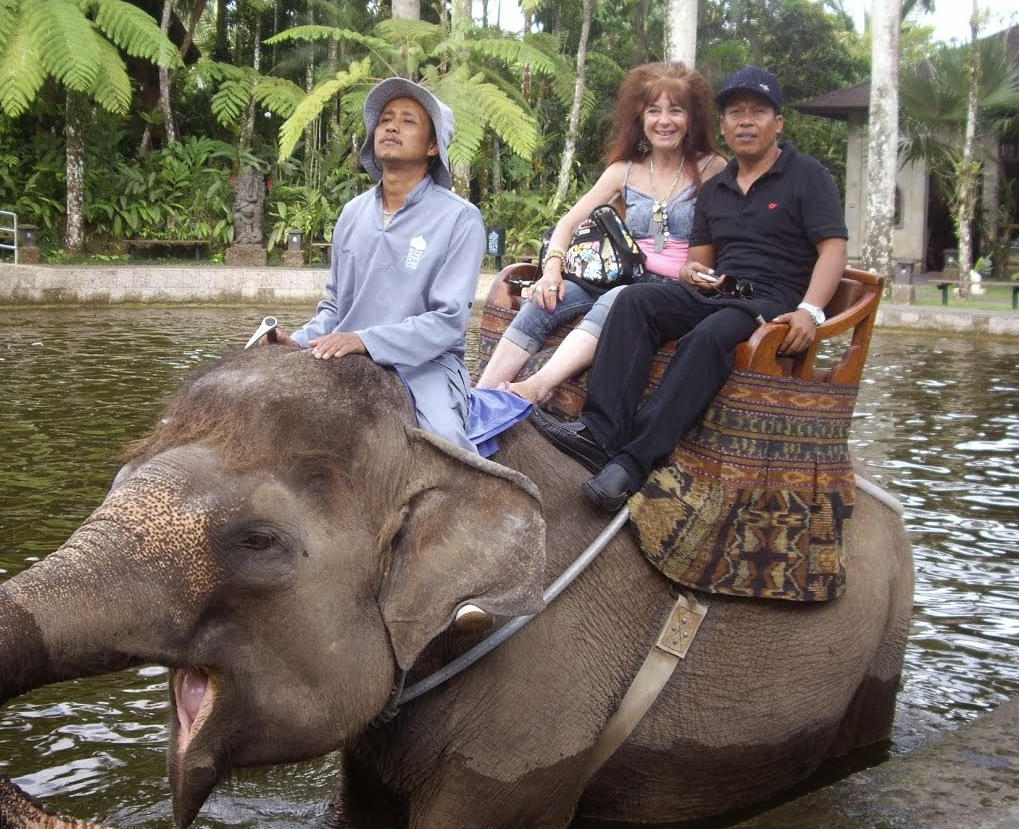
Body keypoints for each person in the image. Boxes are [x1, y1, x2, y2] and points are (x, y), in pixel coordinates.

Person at [531, 66, 849, 512]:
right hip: (720, 291)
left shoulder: (806, 176)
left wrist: (811, 311)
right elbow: (698, 261)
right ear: (722, 124)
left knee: (711, 334)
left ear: (778, 122)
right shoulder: (716, 185)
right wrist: (690, 274)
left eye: (758, 111)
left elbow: (833, 249)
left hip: (773, 301)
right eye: (735, 112)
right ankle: (600, 432)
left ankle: (632, 463)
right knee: (634, 299)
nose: (745, 121)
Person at [474, 62, 726, 402]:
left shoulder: (712, 168)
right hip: (620, 274)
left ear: (692, 117)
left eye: (675, 111)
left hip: (674, 288)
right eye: (654, 110)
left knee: (618, 300)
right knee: (545, 302)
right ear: (640, 117)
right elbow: (567, 224)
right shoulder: (624, 171)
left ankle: (537, 387)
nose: (664, 121)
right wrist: (551, 272)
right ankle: (480, 396)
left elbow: (730, 235)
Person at [291, 77, 486, 452]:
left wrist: (364, 339)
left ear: (433, 146)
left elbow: (448, 323)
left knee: (444, 445)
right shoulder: (352, 213)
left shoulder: (460, 219)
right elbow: (335, 307)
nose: (391, 126)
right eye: (385, 119)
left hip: (425, 368)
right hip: (344, 355)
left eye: (408, 120)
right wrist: (296, 340)